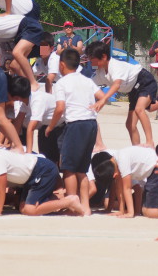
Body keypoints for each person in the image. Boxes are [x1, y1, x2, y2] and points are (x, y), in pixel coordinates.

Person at [45, 49, 107, 215]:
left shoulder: (61, 83)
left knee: (69, 168)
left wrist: (51, 127)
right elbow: (102, 96)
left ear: (62, 65)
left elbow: (59, 108)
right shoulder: (86, 80)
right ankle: (85, 206)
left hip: (75, 125)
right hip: (91, 124)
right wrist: (95, 108)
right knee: (82, 168)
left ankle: (73, 203)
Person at [0, 138, 83, 216]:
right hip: (31, 177)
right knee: (22, 208)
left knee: (29, 210)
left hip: (42, 170)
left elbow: (1, 188)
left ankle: (69, 201)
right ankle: (61, 198)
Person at [86, 41, 156, 146]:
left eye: (92, 60)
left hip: (144, 81)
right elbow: (88, 84)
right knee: (130, 125)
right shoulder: (100, 73)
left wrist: (103, 99)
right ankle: (136, 149)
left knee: (139, 109)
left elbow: (116, 84)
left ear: (104, 57)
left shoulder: (115, 66)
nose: (91, 63)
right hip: (133, 90)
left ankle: (150, 142)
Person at [91, 146, 158, 219]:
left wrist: (131, 213)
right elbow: (119, 189)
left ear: (114, 175)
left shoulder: (122, 160)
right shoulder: (116, 161)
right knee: (145, 209)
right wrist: (120, 211)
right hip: (154, 173)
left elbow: (127, 188)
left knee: (149, 212)